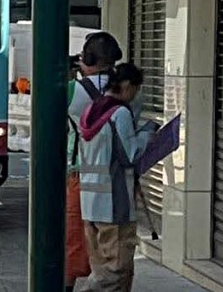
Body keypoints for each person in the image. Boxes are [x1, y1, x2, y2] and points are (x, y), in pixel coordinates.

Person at [78, 63, 159, 291]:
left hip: (90, 203)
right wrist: (146, 136)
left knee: (103, 268)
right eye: (135, 88)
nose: (136, 95)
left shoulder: (89, 110)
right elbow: (129, 154)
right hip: (115, 204)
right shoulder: (120, 113)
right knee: (115, 272)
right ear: (126, 86)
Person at [65, 31, 123, 291]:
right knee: (113, 246)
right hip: (119, 177)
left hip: (82, 173)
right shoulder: (128, 90)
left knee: (74, 241)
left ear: (86, 58)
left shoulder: (72, 91)